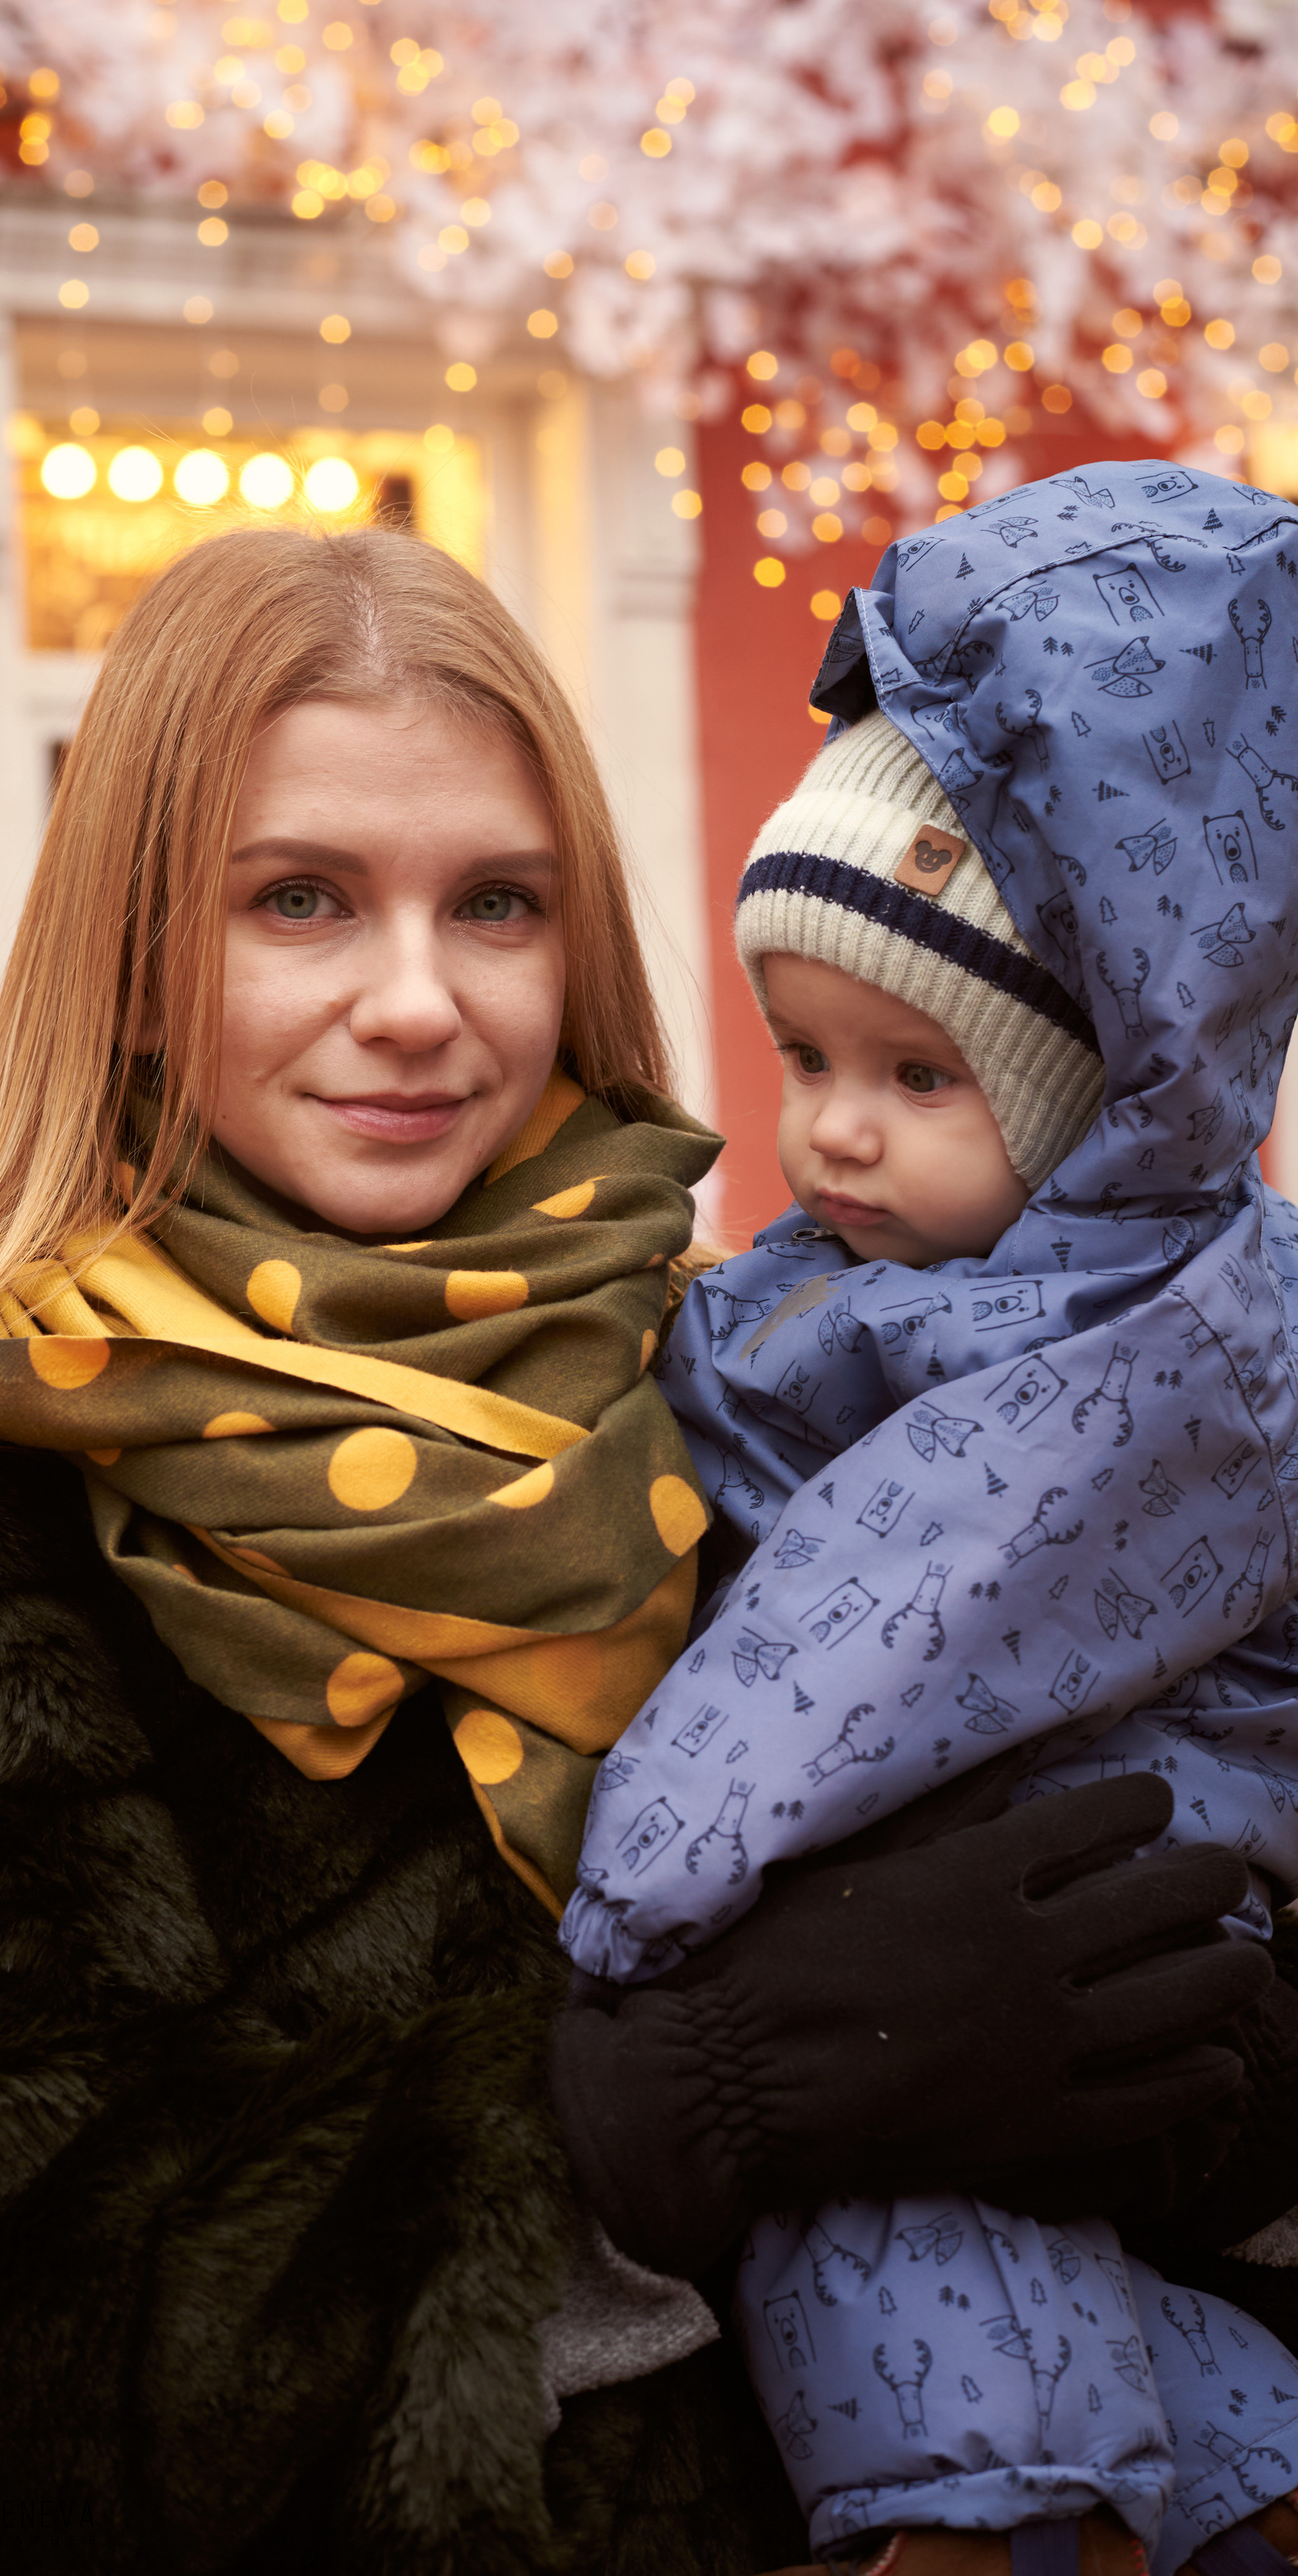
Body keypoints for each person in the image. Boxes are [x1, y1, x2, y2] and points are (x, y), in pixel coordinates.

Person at [0, 526, 1289, 2576]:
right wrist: (665, 2109)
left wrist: (1214, 2076)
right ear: (135, 961)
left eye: (496, 902)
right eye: (299, 900)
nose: (416, 1002)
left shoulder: (779, 1384)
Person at [560, 462, 1298, 2576]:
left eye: (915, 1072)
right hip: (1010, 1933)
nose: (827, 1129)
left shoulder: (1139, 1334)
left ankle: (976, 2527)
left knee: (898, 2221)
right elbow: (745, 1396)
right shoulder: (885, 1280)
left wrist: (642, 1897)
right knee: (1061, 2269)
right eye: (799, 1054)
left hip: (1096, 1904)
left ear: (1089, 1096)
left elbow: (880, 1629)